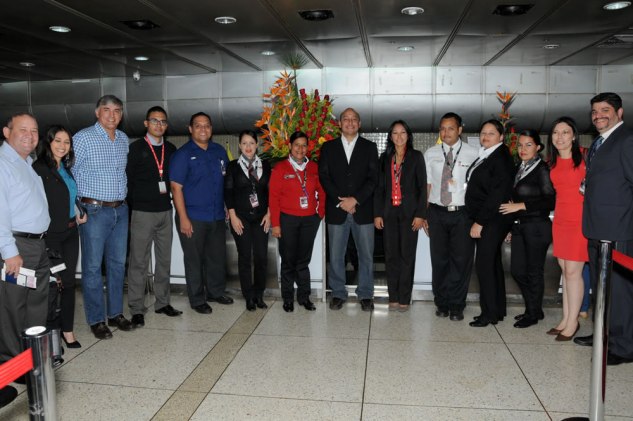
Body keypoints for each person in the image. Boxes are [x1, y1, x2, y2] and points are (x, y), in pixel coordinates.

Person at [577, 92, 633, 365]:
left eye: (605, 109)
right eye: (595, 111)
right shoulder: (600, 142)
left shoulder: (627, 140)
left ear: (619, 113)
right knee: (601, 290)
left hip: (619, 230)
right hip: (596, 228)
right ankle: (603, 334)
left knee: (619, 292)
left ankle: (623, 346)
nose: (598, 115)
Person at [72, 94, 134, 339]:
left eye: (117, 110)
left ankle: (115, 313)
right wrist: (77, 208)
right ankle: (97, 319)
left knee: (118, 265)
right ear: (97, 112)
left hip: (120, 209)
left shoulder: (123, 139)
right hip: (94, 211)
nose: (112, 115)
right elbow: (71, 175)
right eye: (107, 110)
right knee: (93, 267)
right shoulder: (83, 138)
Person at [0, 113, 50, 406]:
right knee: (12, 308)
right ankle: (8, 370)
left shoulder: (27, 164)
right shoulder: (3, 164)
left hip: (36, 246)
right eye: (23, 130)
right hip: (17, 248)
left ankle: (28, 361)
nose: (30, 136)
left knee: (35, 306)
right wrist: (9, 252)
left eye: (34, 130)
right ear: (7, 132)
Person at [170, 112, 233, 314]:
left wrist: (225, 208)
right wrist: (184, 219)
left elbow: (224, 183)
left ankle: (215, 292)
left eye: (207, 125)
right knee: (194, 259)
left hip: (215, 215)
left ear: (211, 128)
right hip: (193, 217)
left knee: (216, 257)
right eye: (198, 126)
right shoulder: (183, 154)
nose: (203, 129)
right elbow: (176, 188)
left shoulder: (219, 151)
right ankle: (197, 299)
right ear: (190, 129)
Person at [126, 106, 182, 328]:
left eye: (163, 122)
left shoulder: (171, 148)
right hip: (142, 212)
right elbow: (128, 182)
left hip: (165, 211)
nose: (159, 125)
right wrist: (133, 209)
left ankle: (162, 302)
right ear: (146, 123)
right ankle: (137, 309)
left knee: (164, 260)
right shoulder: (136, 148)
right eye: (155, 121)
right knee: (138, 262)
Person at [318, 108, 379, 311]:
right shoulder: (328, 147)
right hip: (337, 210)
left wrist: (355, 200)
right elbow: (324, 177)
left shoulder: (370, 147)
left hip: (363, 210)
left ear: (359, 123)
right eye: (346, 119)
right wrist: (342, 202)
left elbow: (373, 179)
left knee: (366, 255)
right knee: (336, 254)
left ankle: (366, 294)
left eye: (354, 119)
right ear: (339, 123)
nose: (350, 122)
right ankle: (337, 293)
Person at [33, 125, 87, 348]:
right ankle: (52, 335)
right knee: (54, 285)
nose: (63, 146)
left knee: (68, 281)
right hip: (51, 235)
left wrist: (78, 210)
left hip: (71, 231)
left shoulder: (65, 167)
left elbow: (68, 196)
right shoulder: (38, 169)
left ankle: (68, 330)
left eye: (67, 142)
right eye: (58, 141)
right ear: (48, 142)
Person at [423, 112, 478, 321]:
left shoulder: (474, 153)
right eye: (443, 128)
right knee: (439, 261)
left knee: (461, 261)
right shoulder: (431, 153)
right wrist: (424, 213)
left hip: (462, 213)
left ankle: (457, 304)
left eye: (451, 128)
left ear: (460, 130)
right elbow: (427, 186)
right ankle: (442, 302)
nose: (446, 132)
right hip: (436, 212)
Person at [499, 129, 555, 328]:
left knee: (534, 272)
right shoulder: (519, 167)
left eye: (528, 145)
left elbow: (551, 200)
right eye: (520, 145)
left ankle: (532, 313)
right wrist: (509, 225)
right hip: (520, 227)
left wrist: (521, 206)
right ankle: (534, 308)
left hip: (537, 227)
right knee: (517, 271)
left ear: (538, 147)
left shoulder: (543, 169)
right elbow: (513, 199)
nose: (523, 149)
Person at [465, 119, 514, 327]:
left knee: (485, 266)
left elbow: (496, 195)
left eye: (491, 133)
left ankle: (488, 313)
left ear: (501, 137)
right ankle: (497, 310)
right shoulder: (489, 155)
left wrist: (479, 222)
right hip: (490, 220)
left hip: (490, 221)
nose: (485, 137)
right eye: (483, 133)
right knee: (493, 265)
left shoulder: (500, 157)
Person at [374, 120, 427, 311]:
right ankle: (393, 297)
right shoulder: (384, 158)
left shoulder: (416, 157)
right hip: (388, 214)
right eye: (395, 133)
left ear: (408, 135)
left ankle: (404, 298)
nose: (399, 136)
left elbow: (423, 188)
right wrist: (377, 213)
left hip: (410, 214)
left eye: (402, 132)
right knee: (391, 256)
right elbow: (379, 189)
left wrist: (421, 214)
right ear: (390, 137)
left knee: (407, 256)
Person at [269, 131, 325, 312]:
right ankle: (287, 298)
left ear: (307, 147)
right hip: (287, 219)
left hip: (310, 220)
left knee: (303, 260)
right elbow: (273, 198)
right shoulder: (280, 168)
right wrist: (276, 224)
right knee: (288, 260)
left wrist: (320, 213)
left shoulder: (314, 168)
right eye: (296, 145)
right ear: (290, 147)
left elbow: (322, 191)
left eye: (303, 145)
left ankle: (304, 297)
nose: (300, 149)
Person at [546, 117, 587, 341]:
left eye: (565, 132)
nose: (559, 137)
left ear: (573, 135)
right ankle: (565, 318)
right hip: (560, 219)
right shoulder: (552, 161)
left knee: (573, 272)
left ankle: (573, 323)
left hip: (580, 221)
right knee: (565, 270)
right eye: (555, 132)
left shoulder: (586, 156)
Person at [225, 130, 271, 311]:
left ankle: (259, 294)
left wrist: (269, 213)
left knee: (261, 257)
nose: (248, 147)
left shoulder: (266, 165)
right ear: (239, 146)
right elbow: (227, 192)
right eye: (244, 143)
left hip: (262, 218)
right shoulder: (232, 166)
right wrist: (233, 216)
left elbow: (271, 192)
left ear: (257, 145)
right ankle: (249, 296)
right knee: (244, 257)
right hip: (241, 218)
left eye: (252, 143)